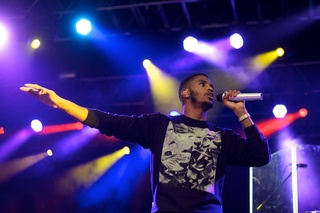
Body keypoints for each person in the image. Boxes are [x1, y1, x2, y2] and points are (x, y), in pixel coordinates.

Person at [20, 73, 271, 213]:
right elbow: (108, 121)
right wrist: (59, 102)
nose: (210, 88)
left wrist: (241, 113)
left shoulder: (222, 136)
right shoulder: (159, 125)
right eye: (203, 84)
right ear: (185, 93)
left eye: (211, 86)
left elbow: (260, 157)